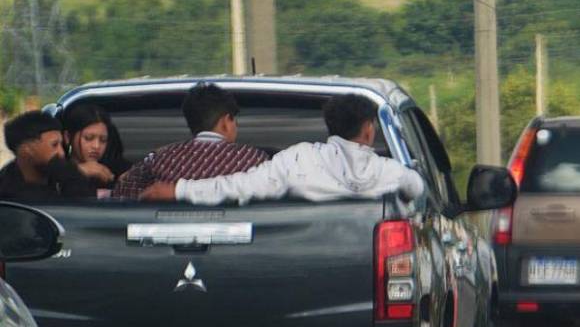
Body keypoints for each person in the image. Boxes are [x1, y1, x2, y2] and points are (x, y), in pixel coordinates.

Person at [138, 94, 424, 205]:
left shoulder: (299, 158)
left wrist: (178, 190)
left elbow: (241, 186)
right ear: (369, 129)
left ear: (330, 125)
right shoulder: (391, 171)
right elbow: (418, 189)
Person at [113, 82, 267, 200]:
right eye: (235, 122)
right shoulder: (255, 160)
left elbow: (122, 193)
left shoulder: (160, 158)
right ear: (226, 122)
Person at [0, 110, 104, 202]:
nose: (61, 153)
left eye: (61, 145)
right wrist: (74, 173)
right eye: (54, 145)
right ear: (28, 150)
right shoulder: (10, 196)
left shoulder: (54, 176)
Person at [64, 103, 130, 189]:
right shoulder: (56, 171)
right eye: (88, 138)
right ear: (68, 137)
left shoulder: (115, 170)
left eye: (103, 140)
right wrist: (77, 171)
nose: (96, 146)